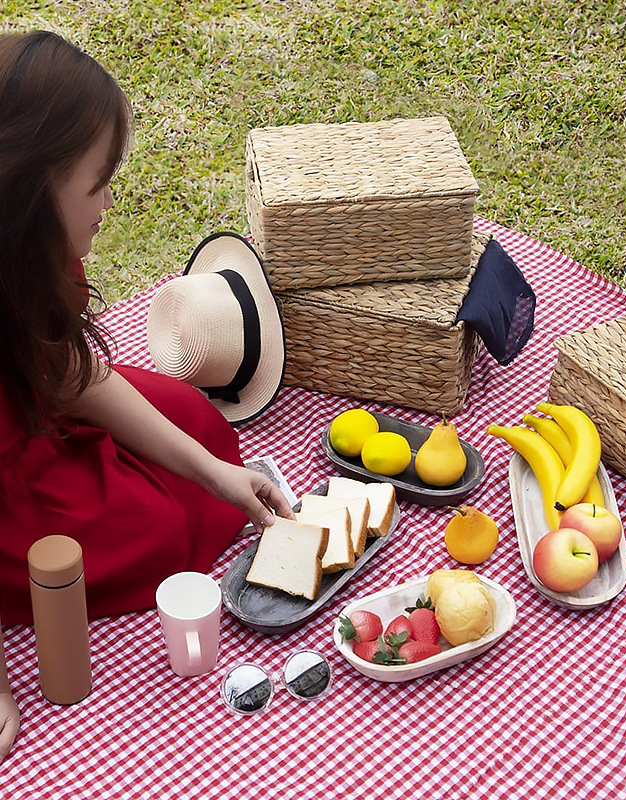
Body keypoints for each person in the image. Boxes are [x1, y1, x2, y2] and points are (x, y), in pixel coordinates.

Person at [0, 30, 294, 762]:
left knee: (198, 427)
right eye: (97, 182)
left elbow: (71, 374)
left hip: (30, 408)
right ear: (29, 185)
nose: (109, 201)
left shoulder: (26, 251)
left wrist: (212, 469)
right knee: (156, 529)